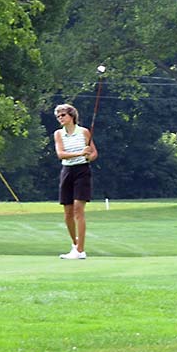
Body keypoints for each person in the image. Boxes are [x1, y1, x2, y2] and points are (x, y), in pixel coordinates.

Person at [53, 103, 97, 259]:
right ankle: (75, 244)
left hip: (82, 171)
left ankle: (80, 251)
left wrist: (88, 156)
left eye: (63, 115)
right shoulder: (58, 134)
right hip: (67, 171)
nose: (60, 118)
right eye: (58, 116)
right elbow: (61, 154)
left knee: (79, 210)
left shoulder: (84, 132)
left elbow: (93, 153)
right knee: (67, 213)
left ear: (71, 116)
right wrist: (80, 152)